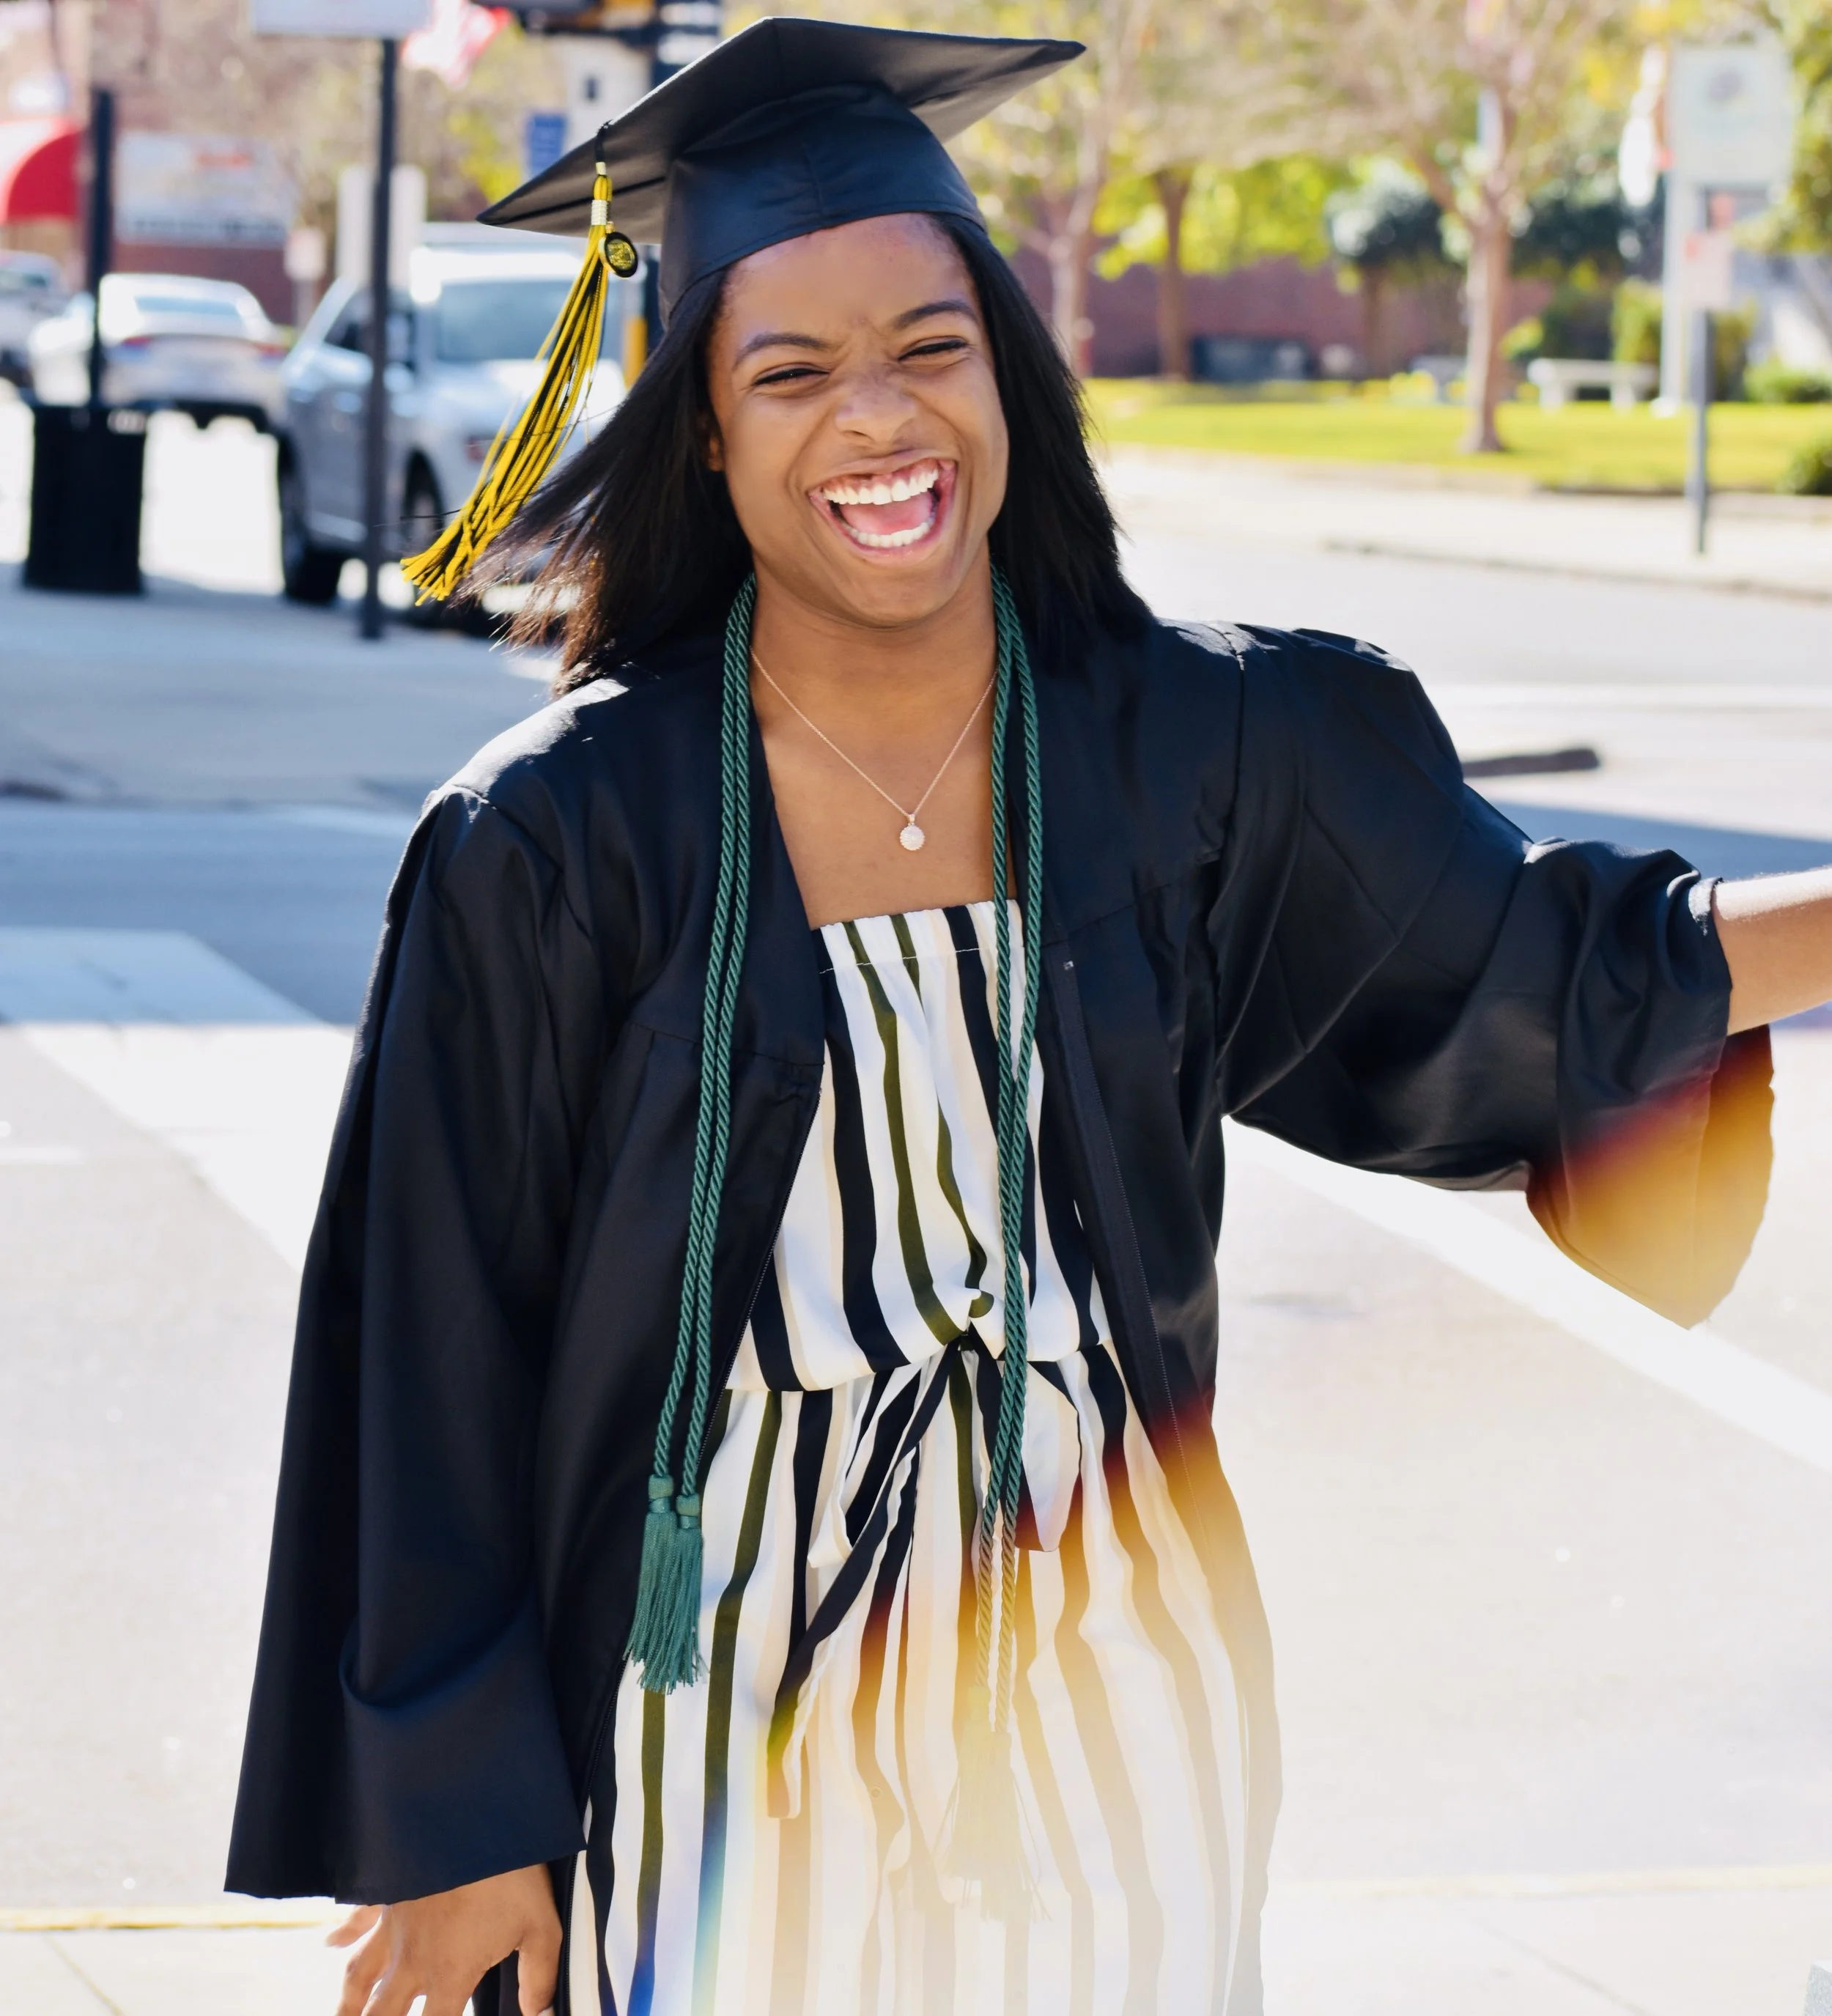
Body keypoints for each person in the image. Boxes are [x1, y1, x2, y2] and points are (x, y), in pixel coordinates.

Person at [226, 19, 1832, 2016]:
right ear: (703, 433)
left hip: (1111, 1686)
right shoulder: (560, 841)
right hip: (707, 1705)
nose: (877, 423)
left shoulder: (1199, 747)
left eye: (929, 347)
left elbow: (1550, 959)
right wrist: (453, 1814)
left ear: (1011, 375)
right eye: (788, 372)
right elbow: (431, 1340)